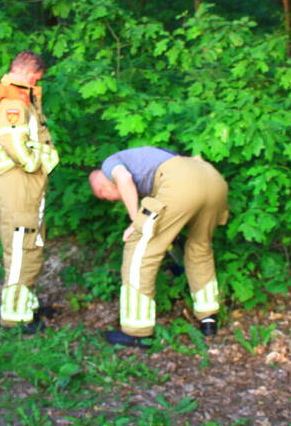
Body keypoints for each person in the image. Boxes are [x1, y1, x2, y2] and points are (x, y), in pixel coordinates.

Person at [89, 146, 229, 347]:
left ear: (101, 186)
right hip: (212, 179)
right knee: (200, 248)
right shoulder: (149, 160)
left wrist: (135, 220)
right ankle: (209, 317)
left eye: (104, 196)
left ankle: (136, 330)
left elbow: (125, 179)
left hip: (182, 182)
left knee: (139, 249)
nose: (110, 200)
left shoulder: (109, 164)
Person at [0, 51, 60, 332]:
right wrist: (33, 164)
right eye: (39, 77)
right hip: (19, 179)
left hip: (23, 181)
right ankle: (14, 316)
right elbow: (13, 140)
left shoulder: (18, 94)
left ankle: (27, 305)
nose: (40, 82)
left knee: (31, 242)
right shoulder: (13, 98)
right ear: (29, 73)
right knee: (21, 243)